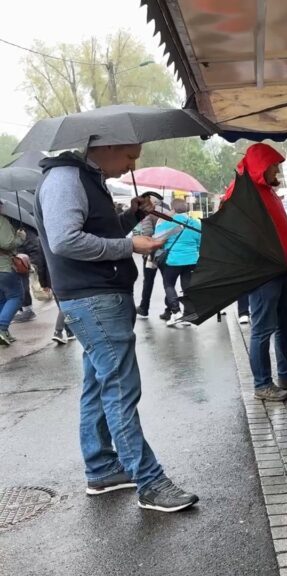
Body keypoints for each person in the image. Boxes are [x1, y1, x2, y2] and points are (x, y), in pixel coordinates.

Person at [35, 144, 198, 512]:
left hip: (98, 295)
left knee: (99, 385)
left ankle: (102, 468)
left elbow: (93, 232)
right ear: (106, 144)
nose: (132, 163)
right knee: (120, 390)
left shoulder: (83, 177)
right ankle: (150, 482)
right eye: (129, 154)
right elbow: (65, 240)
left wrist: (129, 216)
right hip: (94, 298)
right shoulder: (66, 177)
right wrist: (128, 245)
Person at [222, 143, 287, 401]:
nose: (277, 170)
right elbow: (236, 235)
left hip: (282, 269)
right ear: (260, 166)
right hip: (263, 272)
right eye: (273, 166)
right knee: (263, 328)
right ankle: (262, 383)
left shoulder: (265, 189)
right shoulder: (241, 192)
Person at [155, 199, 202, 326]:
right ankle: (188, 315)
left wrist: (162, 220)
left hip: (174, 260)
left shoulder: (168, 223)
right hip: (192, 259)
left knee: (169, 284)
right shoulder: (196, 223)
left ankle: (176, 313)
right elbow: (200, 242)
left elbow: (157, 240)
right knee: (187, 286)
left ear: (173, 209)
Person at [134, 192, 169, 320]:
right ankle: (169, 309)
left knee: (148, 281)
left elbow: (147, 233)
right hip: (166, 253)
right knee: (168, 282)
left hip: (151, 254)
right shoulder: (168, 212)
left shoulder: (149, 214)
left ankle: (144, 308)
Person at [10, 222, 44, 324]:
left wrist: (33, 265)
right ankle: (22, 310)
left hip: (23, 264)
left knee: (22, 286)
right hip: (16, 263)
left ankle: (27, 310)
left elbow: (35, 250)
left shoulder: (24, 230)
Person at [0, 215, 26, 345]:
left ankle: (4, 333)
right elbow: (7, 243)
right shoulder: (1, 221)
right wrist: (20, 238)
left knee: (2, 300)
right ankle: (1, 327)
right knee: (16, 297)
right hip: (3, 266)